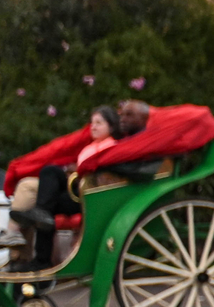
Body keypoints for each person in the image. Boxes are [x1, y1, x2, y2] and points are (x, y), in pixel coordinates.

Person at [10, 104, 148, 269]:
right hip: (77, 186)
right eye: (92, 123)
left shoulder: (112, 147)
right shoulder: (90, 147)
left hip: (92, 194)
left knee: (47, 196)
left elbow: (100, 172)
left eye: (99, 123)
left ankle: (41, 258)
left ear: (111, 127)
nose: (93, 127)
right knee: (49, 178)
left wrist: (78, 171)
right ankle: (36, 247)